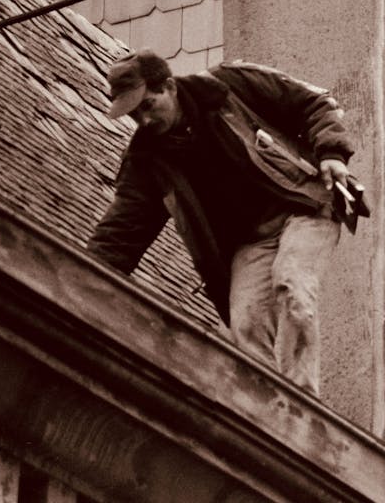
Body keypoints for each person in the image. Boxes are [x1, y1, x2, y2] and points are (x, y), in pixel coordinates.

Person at [88, 51, 356, 397]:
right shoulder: (147, 161)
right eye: (135, 114)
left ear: (169, 86)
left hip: (301, 208)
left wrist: (332, 153)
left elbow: (314, 103)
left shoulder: (227, 86)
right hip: (252, 242)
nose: (145, 120)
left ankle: (304, 409)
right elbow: (119, 236)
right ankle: (266, 421)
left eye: (148, 105)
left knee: (293, 287)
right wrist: (81, 277)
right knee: (246, 326)